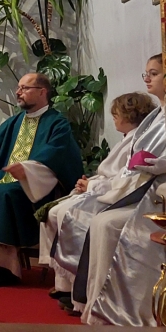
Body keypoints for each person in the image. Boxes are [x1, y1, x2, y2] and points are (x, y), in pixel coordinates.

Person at [0, 72, 83, 287]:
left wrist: (27, 169)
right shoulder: (13, 122)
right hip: (4, 178)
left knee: (4, 194)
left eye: (24, 88)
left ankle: (4, 268)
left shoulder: (57, 123)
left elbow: (57, 154)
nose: (18, 92)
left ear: (42, 92)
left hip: (35, 185)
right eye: (18, 88)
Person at [70, 55, 166, 325]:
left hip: (156, 193)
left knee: (105, 223)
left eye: (154, 73)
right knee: (99, 220)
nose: (147, 79)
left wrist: (162, 164)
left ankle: (117, 308)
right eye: (146, 73)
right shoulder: (154, 116)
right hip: (141, 184)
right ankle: (97, 304)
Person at [41, 91, 156, 309]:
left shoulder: (137, 140)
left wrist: (91, 186)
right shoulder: (129, 138)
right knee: (57, 211)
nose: (114, 118)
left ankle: (76, 285)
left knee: (65, 214)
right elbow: (111, 174)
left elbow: (124, 180)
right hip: (104, 189)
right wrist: (89, 183)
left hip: (113, 194)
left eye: (116, 114)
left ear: (129, 115)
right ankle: (65, 283)